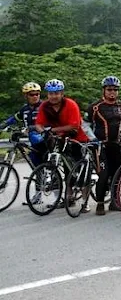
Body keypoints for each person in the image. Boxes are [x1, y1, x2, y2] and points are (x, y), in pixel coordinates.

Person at [35, 79, 89, 208]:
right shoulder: (45, 106)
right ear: (47, 94)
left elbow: (74, 125)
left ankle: (85, 202)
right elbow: (38, 124)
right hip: (60, 139)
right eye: (51, 94)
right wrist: (43, 132)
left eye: (57, 93)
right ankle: (69, 198)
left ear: (62, 93)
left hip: (78, 138)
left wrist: (52, 130)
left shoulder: (70, 104)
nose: (54, 96)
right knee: (66, 170)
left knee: (80, 170)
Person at [86, 76, 121, 216]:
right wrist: (92, 139)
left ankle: (115, 201)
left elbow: (120, 124)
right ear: (103, 90)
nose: (112, 92)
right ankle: (100, 203)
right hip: (100, 146)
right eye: (109, 90)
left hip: (116, 145)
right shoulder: (95, 107)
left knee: (117, 174)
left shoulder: (120, 105)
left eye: (115, 90)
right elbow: (85, 124)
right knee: (103, 174)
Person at [1, 82, 47, 166]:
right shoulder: (25, 109)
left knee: (41, 161)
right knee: (35, 162)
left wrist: (31, 128)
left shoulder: (44, 107)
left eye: (37, 94)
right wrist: (3, 125)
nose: (35, 96)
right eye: (32, 95)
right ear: (26, 96)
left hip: (44, 139)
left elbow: (49, 123)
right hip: (33, 140)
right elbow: (15, 118)